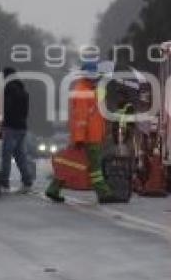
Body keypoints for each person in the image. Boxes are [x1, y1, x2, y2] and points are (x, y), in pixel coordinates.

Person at [45, 61, 117, 203]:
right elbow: (80, 118)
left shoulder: (86, 89)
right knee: (94, 167)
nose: (96, 79)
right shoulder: (83, 91)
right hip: (89, 137)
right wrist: (79, 138)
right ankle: (104, 194)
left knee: (71, 163)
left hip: (87, 136)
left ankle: (53, 189)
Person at [1, 67, 33, 193]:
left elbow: (6, 108)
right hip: (22, 127)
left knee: (6, 156)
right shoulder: (22, 90)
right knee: (20, 156)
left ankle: (4, 183)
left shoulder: (8, 89)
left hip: (10, 127)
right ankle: (27, 182)